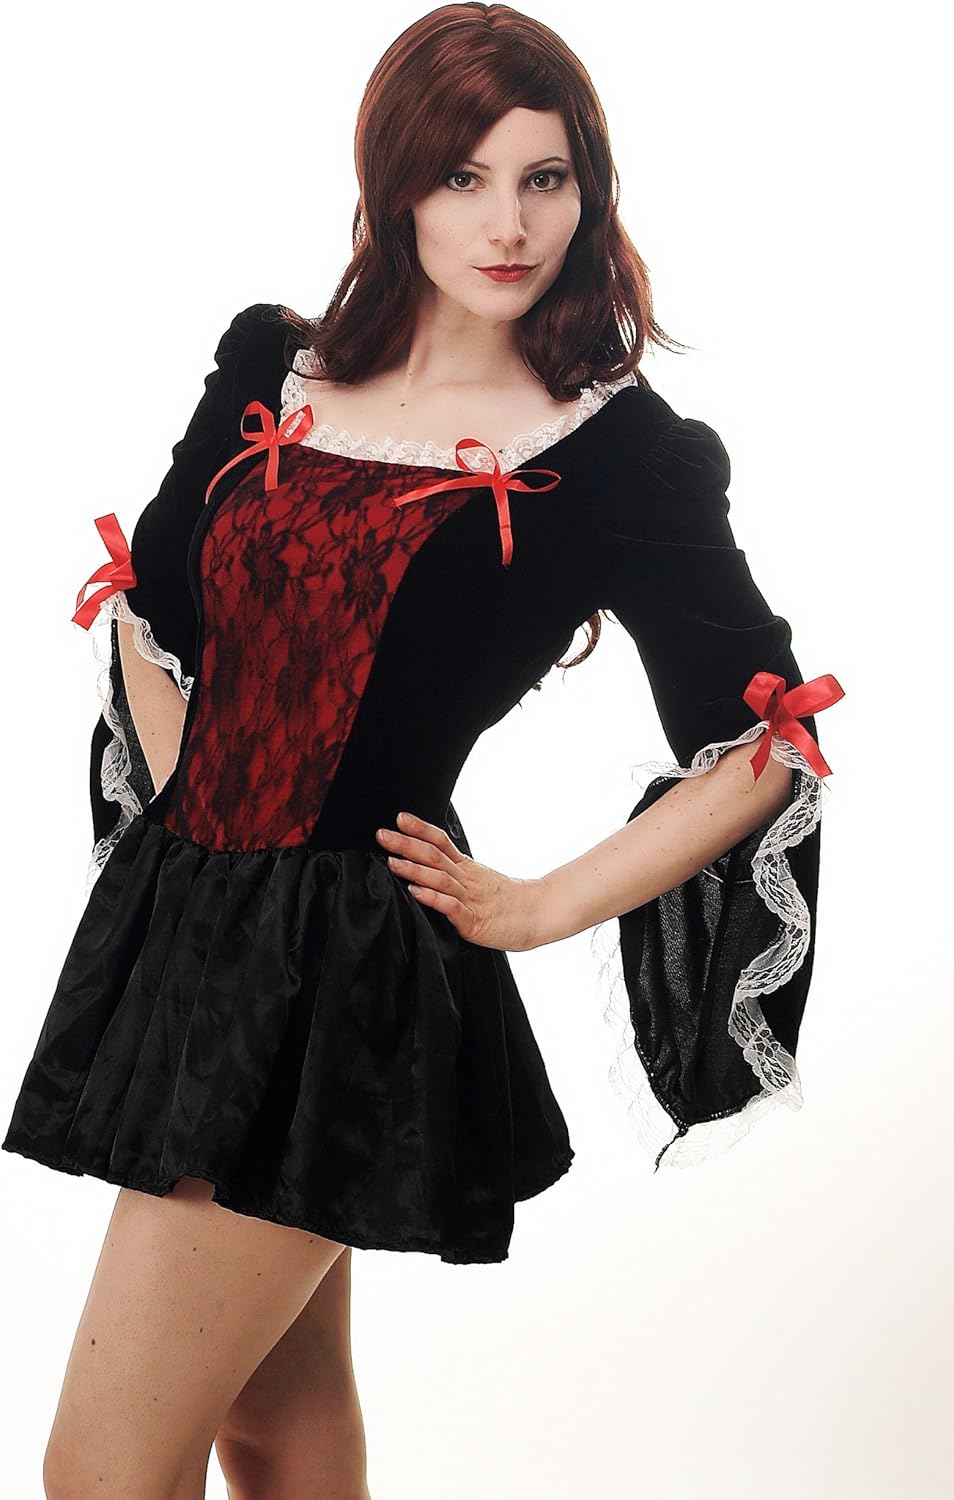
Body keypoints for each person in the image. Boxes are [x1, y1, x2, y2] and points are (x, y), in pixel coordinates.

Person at [2, 4, 844, 1497]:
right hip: (189, 932)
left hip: (344, 970)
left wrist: (538, 905)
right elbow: (157, 606)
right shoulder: (269, 362)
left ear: (590, 190)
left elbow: (765, 739)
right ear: (393, 184)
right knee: (272, 1424)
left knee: (101, 1473)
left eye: (544, 178)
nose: (507, 224)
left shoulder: (618, 455)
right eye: (462, 177)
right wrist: (198, 837)